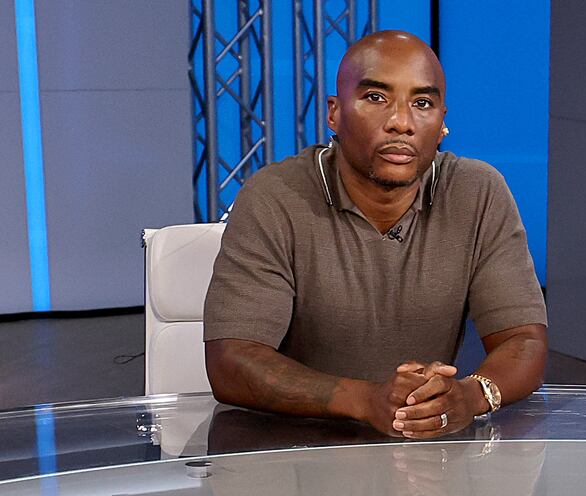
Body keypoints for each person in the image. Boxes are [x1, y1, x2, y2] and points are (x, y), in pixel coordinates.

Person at [203, 30, 547, 439]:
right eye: (375, 98)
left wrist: (467, 398)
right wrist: (367, 400)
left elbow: (524, 340)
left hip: (427, 462)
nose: (401, 122)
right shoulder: (276, 196)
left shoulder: (478, 192)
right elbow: (230, 360)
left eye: (422, 103)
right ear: (334, 113)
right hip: (295, 453)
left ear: (441, 125)